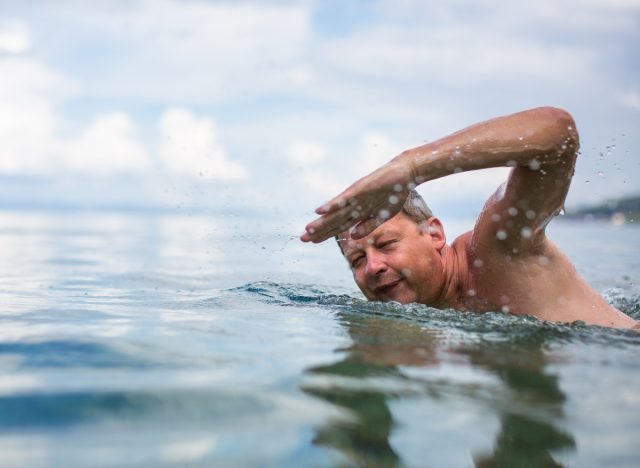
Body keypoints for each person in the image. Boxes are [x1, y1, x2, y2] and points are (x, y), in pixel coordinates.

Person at [301, 107, 638, 329]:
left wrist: (412, 167)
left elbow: (558, 136)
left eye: (386, 243)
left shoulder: (494, 252)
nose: (372, 268)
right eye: (357, 260)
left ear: (434, 234)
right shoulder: (417, 321)